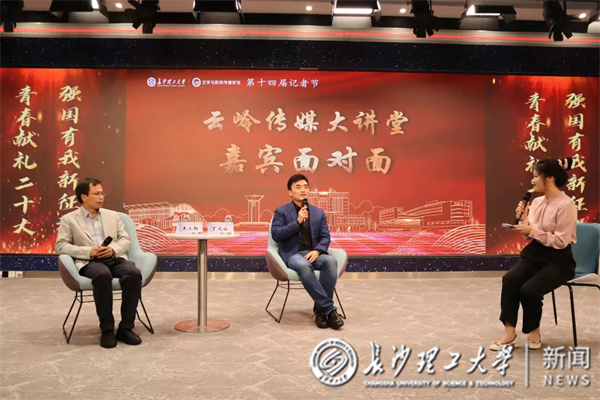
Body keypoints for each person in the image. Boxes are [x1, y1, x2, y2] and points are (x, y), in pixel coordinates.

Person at [491, 158, 577, 351]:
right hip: (535, 254)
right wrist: (523, 222)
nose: (532, 180)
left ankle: (533, 330)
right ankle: (509, 333)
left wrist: (532, 231)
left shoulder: (566, 205)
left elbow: (560, 241)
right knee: (510, 279)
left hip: (559, 260)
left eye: (536, 176)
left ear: (549, 178)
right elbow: (530, 236)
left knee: (529, 290)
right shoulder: (536, 202)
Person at [55, 178, 143, 348]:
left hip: (113, 257)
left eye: (102, 193)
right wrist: (88, 251)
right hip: (89, 261)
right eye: (96, 194)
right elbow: (61, 245)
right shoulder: (69, 219)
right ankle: (107, 329)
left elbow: (125, 239)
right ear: (84, 196)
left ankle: (126, 328)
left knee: (133, 274)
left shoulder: (112, 215)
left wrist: (112, 249)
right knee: (102, 276)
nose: (101, 197)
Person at [271, 174, 344, 329]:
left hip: (313, 253)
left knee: (331, 261)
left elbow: (325, 237)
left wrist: (317, 251)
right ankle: (329, 309)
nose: (303, 190)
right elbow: (276, 235)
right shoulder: (281, 212)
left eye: (305, 187)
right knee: (304, 265)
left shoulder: (318, 213)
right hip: (293, 254)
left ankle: (320, 312)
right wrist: (297, 222)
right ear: (290, 192)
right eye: (298, 187)